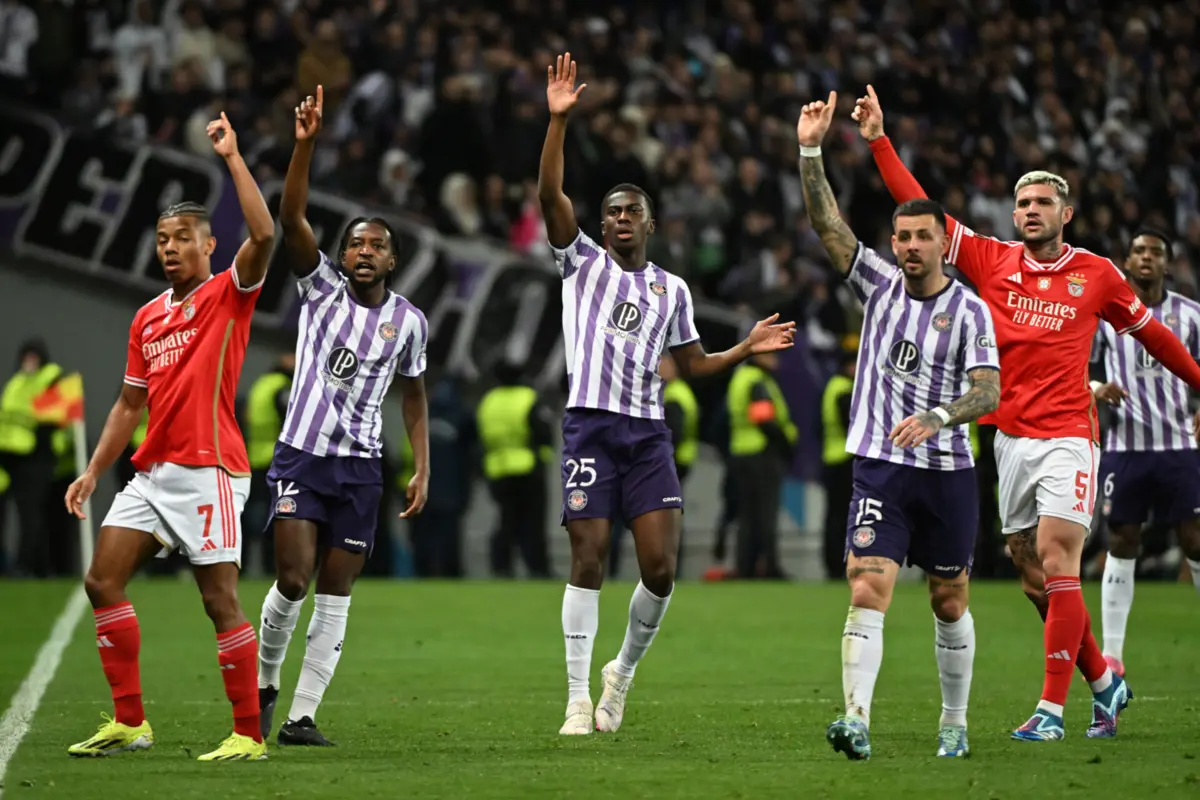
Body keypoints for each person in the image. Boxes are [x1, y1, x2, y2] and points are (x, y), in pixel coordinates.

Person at [855, 85, 1200, 741]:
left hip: (1070, 434)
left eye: (1043, 202)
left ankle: (1050, 711)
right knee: (1033, 576)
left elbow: (1154, 335)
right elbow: (920, 207)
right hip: (1008, 437)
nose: (1030, 211)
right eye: (1022, 203)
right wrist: (878, 140)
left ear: (1066, 213)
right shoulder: (992, 260)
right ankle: (1104, 682)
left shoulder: (1098, 275)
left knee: (1059, 560)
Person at [538, 52, 795, 736]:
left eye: (633, 212)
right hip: (591, 426)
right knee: (588, 556)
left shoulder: (671, 290)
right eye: (612, 212)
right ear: (601, 226)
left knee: (659, 569)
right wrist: (558, 122)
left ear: (651, 225)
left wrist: (742, 349)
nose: (621, 218)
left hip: (648, 434)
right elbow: (550, 196)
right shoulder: (580, 265)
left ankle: (619, 674)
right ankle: (575, 697)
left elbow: (692, 363)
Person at [63, 111, 275, 761]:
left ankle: (248, 735)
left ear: (209, 246)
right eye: (162, 239)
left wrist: (232, 158)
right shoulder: (147, 318)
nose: (170, 248)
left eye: (183, 237)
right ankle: (131, 723)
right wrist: (94, 471)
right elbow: (130, 403)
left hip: (211, 471)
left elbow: (265, 233)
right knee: (102, 580)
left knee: (218, 600)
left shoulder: (228, 295)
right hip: (152, 474)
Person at [799, 94, 1000, 759]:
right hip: (881, 469)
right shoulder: (878, 286)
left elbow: (988, 390)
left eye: (923, 237)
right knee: (867, 584)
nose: (912, 247)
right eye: (903, 237)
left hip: (947, 473)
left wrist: (937, 417)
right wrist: (810, 150)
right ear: (893, 244)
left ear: (943, 242)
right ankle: (856, 718)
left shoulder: (969, 311)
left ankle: (954, 723)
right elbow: (827, 223)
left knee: (949, 599)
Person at [256, 86, 430, 747]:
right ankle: (265, 684)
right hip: (302, 456)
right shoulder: (320, 287)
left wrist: (421, 466)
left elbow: (413, 394)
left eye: (376, 245)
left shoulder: (409, 322)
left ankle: (301, 717)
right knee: (292, 578)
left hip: (360, 468)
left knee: (335, 591)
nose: (363, 251)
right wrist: (304, 145)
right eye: (355, 243)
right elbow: (290, 214)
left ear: (392, 259)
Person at [1092, 230, 1200, 676]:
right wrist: (1097, 387)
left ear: (1167, 264)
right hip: (1126, 448)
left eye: (1156, 252)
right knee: (1122, 540)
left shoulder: (1190, 315)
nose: (1147, 258)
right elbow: (1078, 367)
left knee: (1195, 540)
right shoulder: (1104, 316)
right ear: (1127, 261)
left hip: (1179, 445)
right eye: (1139, 251)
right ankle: (1113, 655)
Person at [477, 359, 553, 578]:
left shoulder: (489, 401)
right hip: (527, 466)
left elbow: (481, 435)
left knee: (506, 520)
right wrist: (543, 457)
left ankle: (501, 566)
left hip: (498, 469)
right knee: (533, 522)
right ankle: (537, 568)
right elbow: (543, 432)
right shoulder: (528, 398)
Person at [726, 350, 797, 579]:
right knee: (766, 515)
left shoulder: (740, 377)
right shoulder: (757, 381)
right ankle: (770, 567)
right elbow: (763, 418)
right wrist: (785, 443)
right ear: (759, 357)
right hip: (762, 453)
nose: (776, 360)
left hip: (741, 452)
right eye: (771, 356)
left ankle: (745, 568)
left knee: (747, 516)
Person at [243, 352, 296, 576]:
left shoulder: (260, 385)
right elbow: (292, 422)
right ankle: (272, 566)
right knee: (279, 516)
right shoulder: (281, 388)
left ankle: (246, 565)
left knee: (253, 516)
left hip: (254, 458)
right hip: (276, 459)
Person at [821, 340, 858, 579]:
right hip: (845, 458)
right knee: (844, 515)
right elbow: (852, 426)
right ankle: (839, 563)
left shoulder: (832, 386)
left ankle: (833, 563)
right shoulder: (845, 390)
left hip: (832, 456)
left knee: (834, 515)